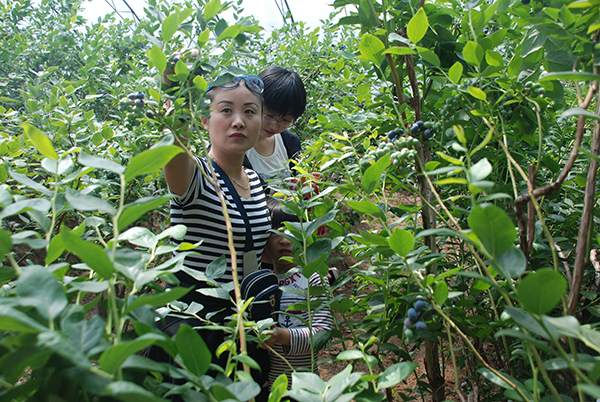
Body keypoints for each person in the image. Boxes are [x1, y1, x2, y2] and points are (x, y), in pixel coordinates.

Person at [159, 73, 272, 386]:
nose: (238, 121)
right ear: (205, 120)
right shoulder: (196, 178)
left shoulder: (256, 182)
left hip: (247, 327)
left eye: (249, 111)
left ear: (261, 121)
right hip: (198, 328)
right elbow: (173, 149)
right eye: (225, 110)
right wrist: (175, 91)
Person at [262, 198, 334, 389]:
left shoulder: (313, 280)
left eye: (292, 230)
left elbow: (322, 334)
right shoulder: (258, 283)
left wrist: (280, 335)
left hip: (304, 388)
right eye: (277, 230)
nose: (285, 239)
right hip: (267, 389)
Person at [243, 66, 306, 184]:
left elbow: (295, 182)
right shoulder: (235, 143)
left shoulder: (290, 142)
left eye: (285, 120)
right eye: (269, 116)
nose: (274, 126)